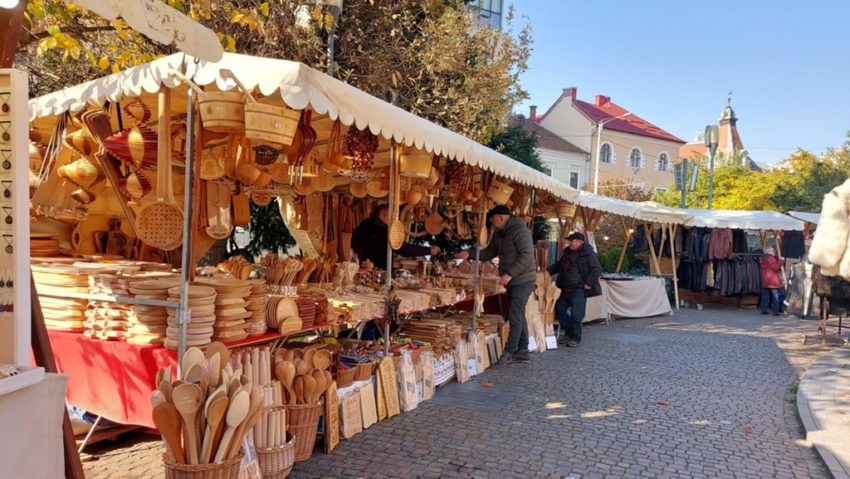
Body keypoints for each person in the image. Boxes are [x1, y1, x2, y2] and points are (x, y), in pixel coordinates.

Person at [457, 205, 536, 365]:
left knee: (514, 315)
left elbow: (527, 255)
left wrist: (509, 274)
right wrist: (470, 253)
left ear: (500, 218)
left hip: (523, 279)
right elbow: (489, 252)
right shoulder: (500, 232)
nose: (491, 223)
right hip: (513, 280)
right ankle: (523, 351)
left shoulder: (519, 230)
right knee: (518, 313)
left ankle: (509, 351)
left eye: (492, 219)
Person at [547, 232, 602, 348]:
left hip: (579, 290)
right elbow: (558, 265)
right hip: (565, 288)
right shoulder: (567, 253)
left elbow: (596, 269)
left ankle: (576, 338)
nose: (569, 243)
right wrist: (547, 271)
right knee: (559, 310)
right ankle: (569, 333)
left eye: (571, 241)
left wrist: (588, 283)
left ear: (579, 242)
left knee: (576, 315)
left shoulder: (588, 254)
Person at [351, 204, 440, 270]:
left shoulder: (362, 226)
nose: (392, 220)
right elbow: (403, 249)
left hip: (359, 268)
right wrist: (429, 250)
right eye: (390, 217)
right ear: (382, 215)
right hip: (378, 272)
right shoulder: (384, 230)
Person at [760, 247, 785, 316]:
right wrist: (781, 261)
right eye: (773, 251)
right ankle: (776, 311)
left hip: (766, 280)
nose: (774, 252)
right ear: (769, 252)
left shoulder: (763, 258)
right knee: (775, 296)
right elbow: (775, 267)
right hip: (772, 280)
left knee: (765, 296)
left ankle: (763, 310)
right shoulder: (771, 258)